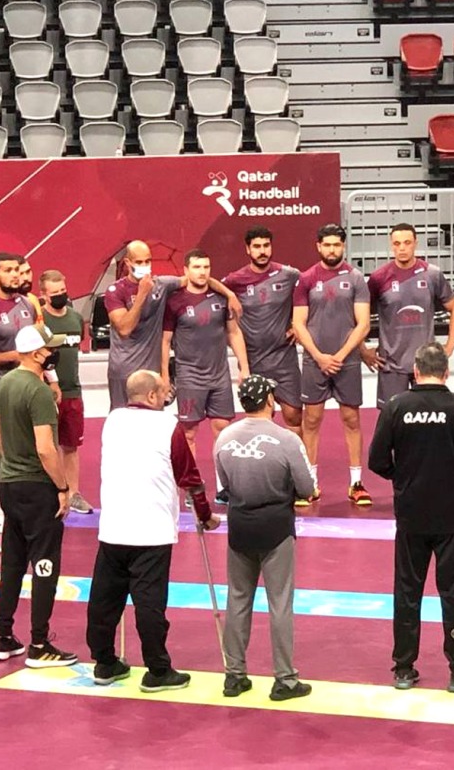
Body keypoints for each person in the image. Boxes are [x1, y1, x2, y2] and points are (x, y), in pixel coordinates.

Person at [368, 342, 454, 693]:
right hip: (451, 515)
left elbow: (377, 460)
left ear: (415, 371)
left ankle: (403, 668)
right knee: (453, 593)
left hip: (411, 513)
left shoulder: (396, 407)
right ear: (446, 372)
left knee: (407, 591)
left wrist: (402, 478)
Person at [87, 370, 219, 693]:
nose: (165, 397)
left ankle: (104, 661)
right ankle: (158, 669)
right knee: (150, 603)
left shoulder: (113, 421)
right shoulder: (167, 426)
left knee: (105, 599)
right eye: (161, 392)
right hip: (152, 530)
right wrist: (205, 515)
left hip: (114, 526)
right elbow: (189, 477)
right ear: (150, 396)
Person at [214, 375, 316, 701]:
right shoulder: (286, 440)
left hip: (240, 526)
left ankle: (234, 674)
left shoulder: (224, 438)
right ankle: (285, 678)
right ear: (269, 400)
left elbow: (223, 487)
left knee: (237, 599)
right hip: (276, 526)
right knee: (280, 602)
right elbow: (307, 487)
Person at [0, 324, 78, 668]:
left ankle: (3, 635)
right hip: (38, 487)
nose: (53, 353)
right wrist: (62, 487)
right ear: (37, 353)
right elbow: (45, 448)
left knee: (12, 561)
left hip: (9, 484)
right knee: (45, 563)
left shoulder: (4, 385)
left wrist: (12, 463)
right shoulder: (38, 392)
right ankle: (40, 643)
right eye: (49, 348)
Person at [104, 241, 243, 412]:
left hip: (152, 371)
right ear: (128, 263)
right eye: (139, 262)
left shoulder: (161, 284)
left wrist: (229, 294)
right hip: (124, 370)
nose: (144, 266)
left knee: (154, 419)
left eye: (147, 261)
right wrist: (142, 294)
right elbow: (124, 329)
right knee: (122, 419)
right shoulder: (115, 291)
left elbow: (198, 279)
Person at [291, 224, 372, 506]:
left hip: (347, 362)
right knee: (311, 420)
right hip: (315, 362)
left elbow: (363, 324)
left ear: (343, 246)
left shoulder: (356, 278)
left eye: (337, 244)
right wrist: (319, 356)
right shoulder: (306, 279)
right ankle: (309, 484)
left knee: (352, 419)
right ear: (318, 246)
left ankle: (356, 483)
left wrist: (340, 355)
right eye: (327, 245)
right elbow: (298, 324)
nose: (332, 249)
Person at [162, 250, 250, 487]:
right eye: (197, 267)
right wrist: (164, 376)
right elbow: (165, 341)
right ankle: (192, 487)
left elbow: (234, 332)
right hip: (189, 376)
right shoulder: (175, 301)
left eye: (206, 267)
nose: (202, 272)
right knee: (189, 433)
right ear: (186, 270)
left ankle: (224, 485)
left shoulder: (221, 297)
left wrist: (244, 367)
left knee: (223, 429)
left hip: (219, 375)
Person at [0, 251, 40, 555]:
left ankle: (14, 517)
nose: (15, 275)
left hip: (28, 387)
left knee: (27, 451)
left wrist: (50, 380)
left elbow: (38, 346)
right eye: (8, 270)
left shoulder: (28, 304)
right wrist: (14, 356)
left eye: (17, 269)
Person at [362, 223, 454, 408]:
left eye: (407, 242)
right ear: (391, 245)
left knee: (428, 418)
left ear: (416, 243)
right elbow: (359, 315)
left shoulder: (432, 274)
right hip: (391, 364)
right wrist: (362, 350)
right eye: (397, 243)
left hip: (427, 363)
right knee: (392, 416)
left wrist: (450, 346)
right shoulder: (378, 278)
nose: (402, 248)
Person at [222, 226, 303, 439]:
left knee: (294, 416)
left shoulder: (289, 275)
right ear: (248, 249)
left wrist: (300, 324)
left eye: (266, 245)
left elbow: (313, 293)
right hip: (253, 361)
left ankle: (297, 458)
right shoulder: (235, 280)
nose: (262, 251)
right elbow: (211, 288)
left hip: (284, 359)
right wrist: (229, 294)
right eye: (257, 246)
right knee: (259, 418)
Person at [40, 269, 93, 514]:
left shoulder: (76, 318)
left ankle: (74, 494)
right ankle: (49, 493)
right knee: (46, 446)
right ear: (44, 295)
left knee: (71, 446)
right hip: (46, 394)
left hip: (73, 392)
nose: (61, 295)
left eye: (63, 290)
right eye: (55, 293)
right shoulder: (39, 321)